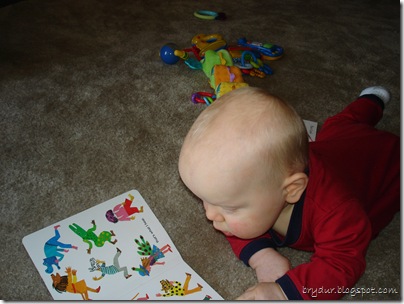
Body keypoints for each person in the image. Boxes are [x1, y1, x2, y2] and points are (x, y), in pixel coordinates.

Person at [178, 86, 399, 300]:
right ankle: (370, 100)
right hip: (337, 141)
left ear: (291, 190)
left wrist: (285, 292)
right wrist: (261, 255)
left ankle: (371, 101)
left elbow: (341, 264)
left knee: (351, 128)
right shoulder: (258, 184)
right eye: (205, 200)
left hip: (388, 162)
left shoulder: (336, 211)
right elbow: (243, 224)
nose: (210, 215)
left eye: (229, 207)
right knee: (342, 125)